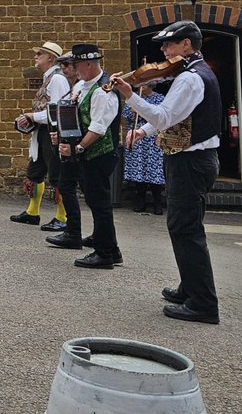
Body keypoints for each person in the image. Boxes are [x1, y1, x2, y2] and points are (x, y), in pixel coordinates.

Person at [112, 20, 221, 325]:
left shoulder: (189, 79)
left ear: (187, 45)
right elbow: (176, 117)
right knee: (185, 227)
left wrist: (130, 95)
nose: (163, 50)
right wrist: (143, 132)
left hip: (191, 161)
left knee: (185, 229)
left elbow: (164, 115)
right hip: (194, 158)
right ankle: (190, 288)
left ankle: (202, 303)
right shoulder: (193, 73)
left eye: (168, 44)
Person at [52, 43, 123, 270]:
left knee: (100, 202)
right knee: (95, 201)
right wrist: (63, 136)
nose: (74, 69)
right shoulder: (84, 85)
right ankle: (111, 248)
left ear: (89, 64)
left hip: (100, 153)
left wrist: (77, 148)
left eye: (77, 65)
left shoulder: (103, 90)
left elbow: (98, 128)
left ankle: (104, 254)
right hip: (90, 153)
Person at [11, 41, 70, 230]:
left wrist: (31, 116)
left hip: (53, 132)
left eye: (40, 53)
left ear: (50, 58)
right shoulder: (48, 78)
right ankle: (32, 212)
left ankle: (63, 217)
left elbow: (59, 111)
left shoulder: (58, 79)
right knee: (35, 171)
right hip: (42, 130)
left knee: (56, 175)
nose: (36, 56)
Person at [123, 84, 167, 215]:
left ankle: (157, 202)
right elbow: (125, 115)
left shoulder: (160, 98)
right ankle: (140, 200)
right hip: (138, 137)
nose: (142, 86)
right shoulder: (134, 98)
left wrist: (144, 110)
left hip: (153, 137)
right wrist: (132, 111)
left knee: (154, 169)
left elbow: (161, 115)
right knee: (139, 170)